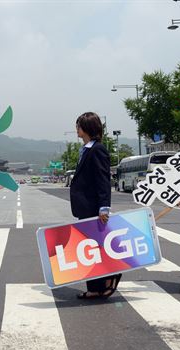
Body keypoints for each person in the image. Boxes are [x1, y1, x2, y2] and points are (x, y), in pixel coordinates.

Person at [69, 112, 120, 299]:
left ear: (87, 128)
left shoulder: (97, 149)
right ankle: (97, 286)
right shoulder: (86, 149)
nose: (77, 129)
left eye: (79, 126)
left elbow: (102, 180)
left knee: (94, 247)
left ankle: (105, 281)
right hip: (86, 207)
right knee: (91, 247)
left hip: (92, 207)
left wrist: (104, 207)